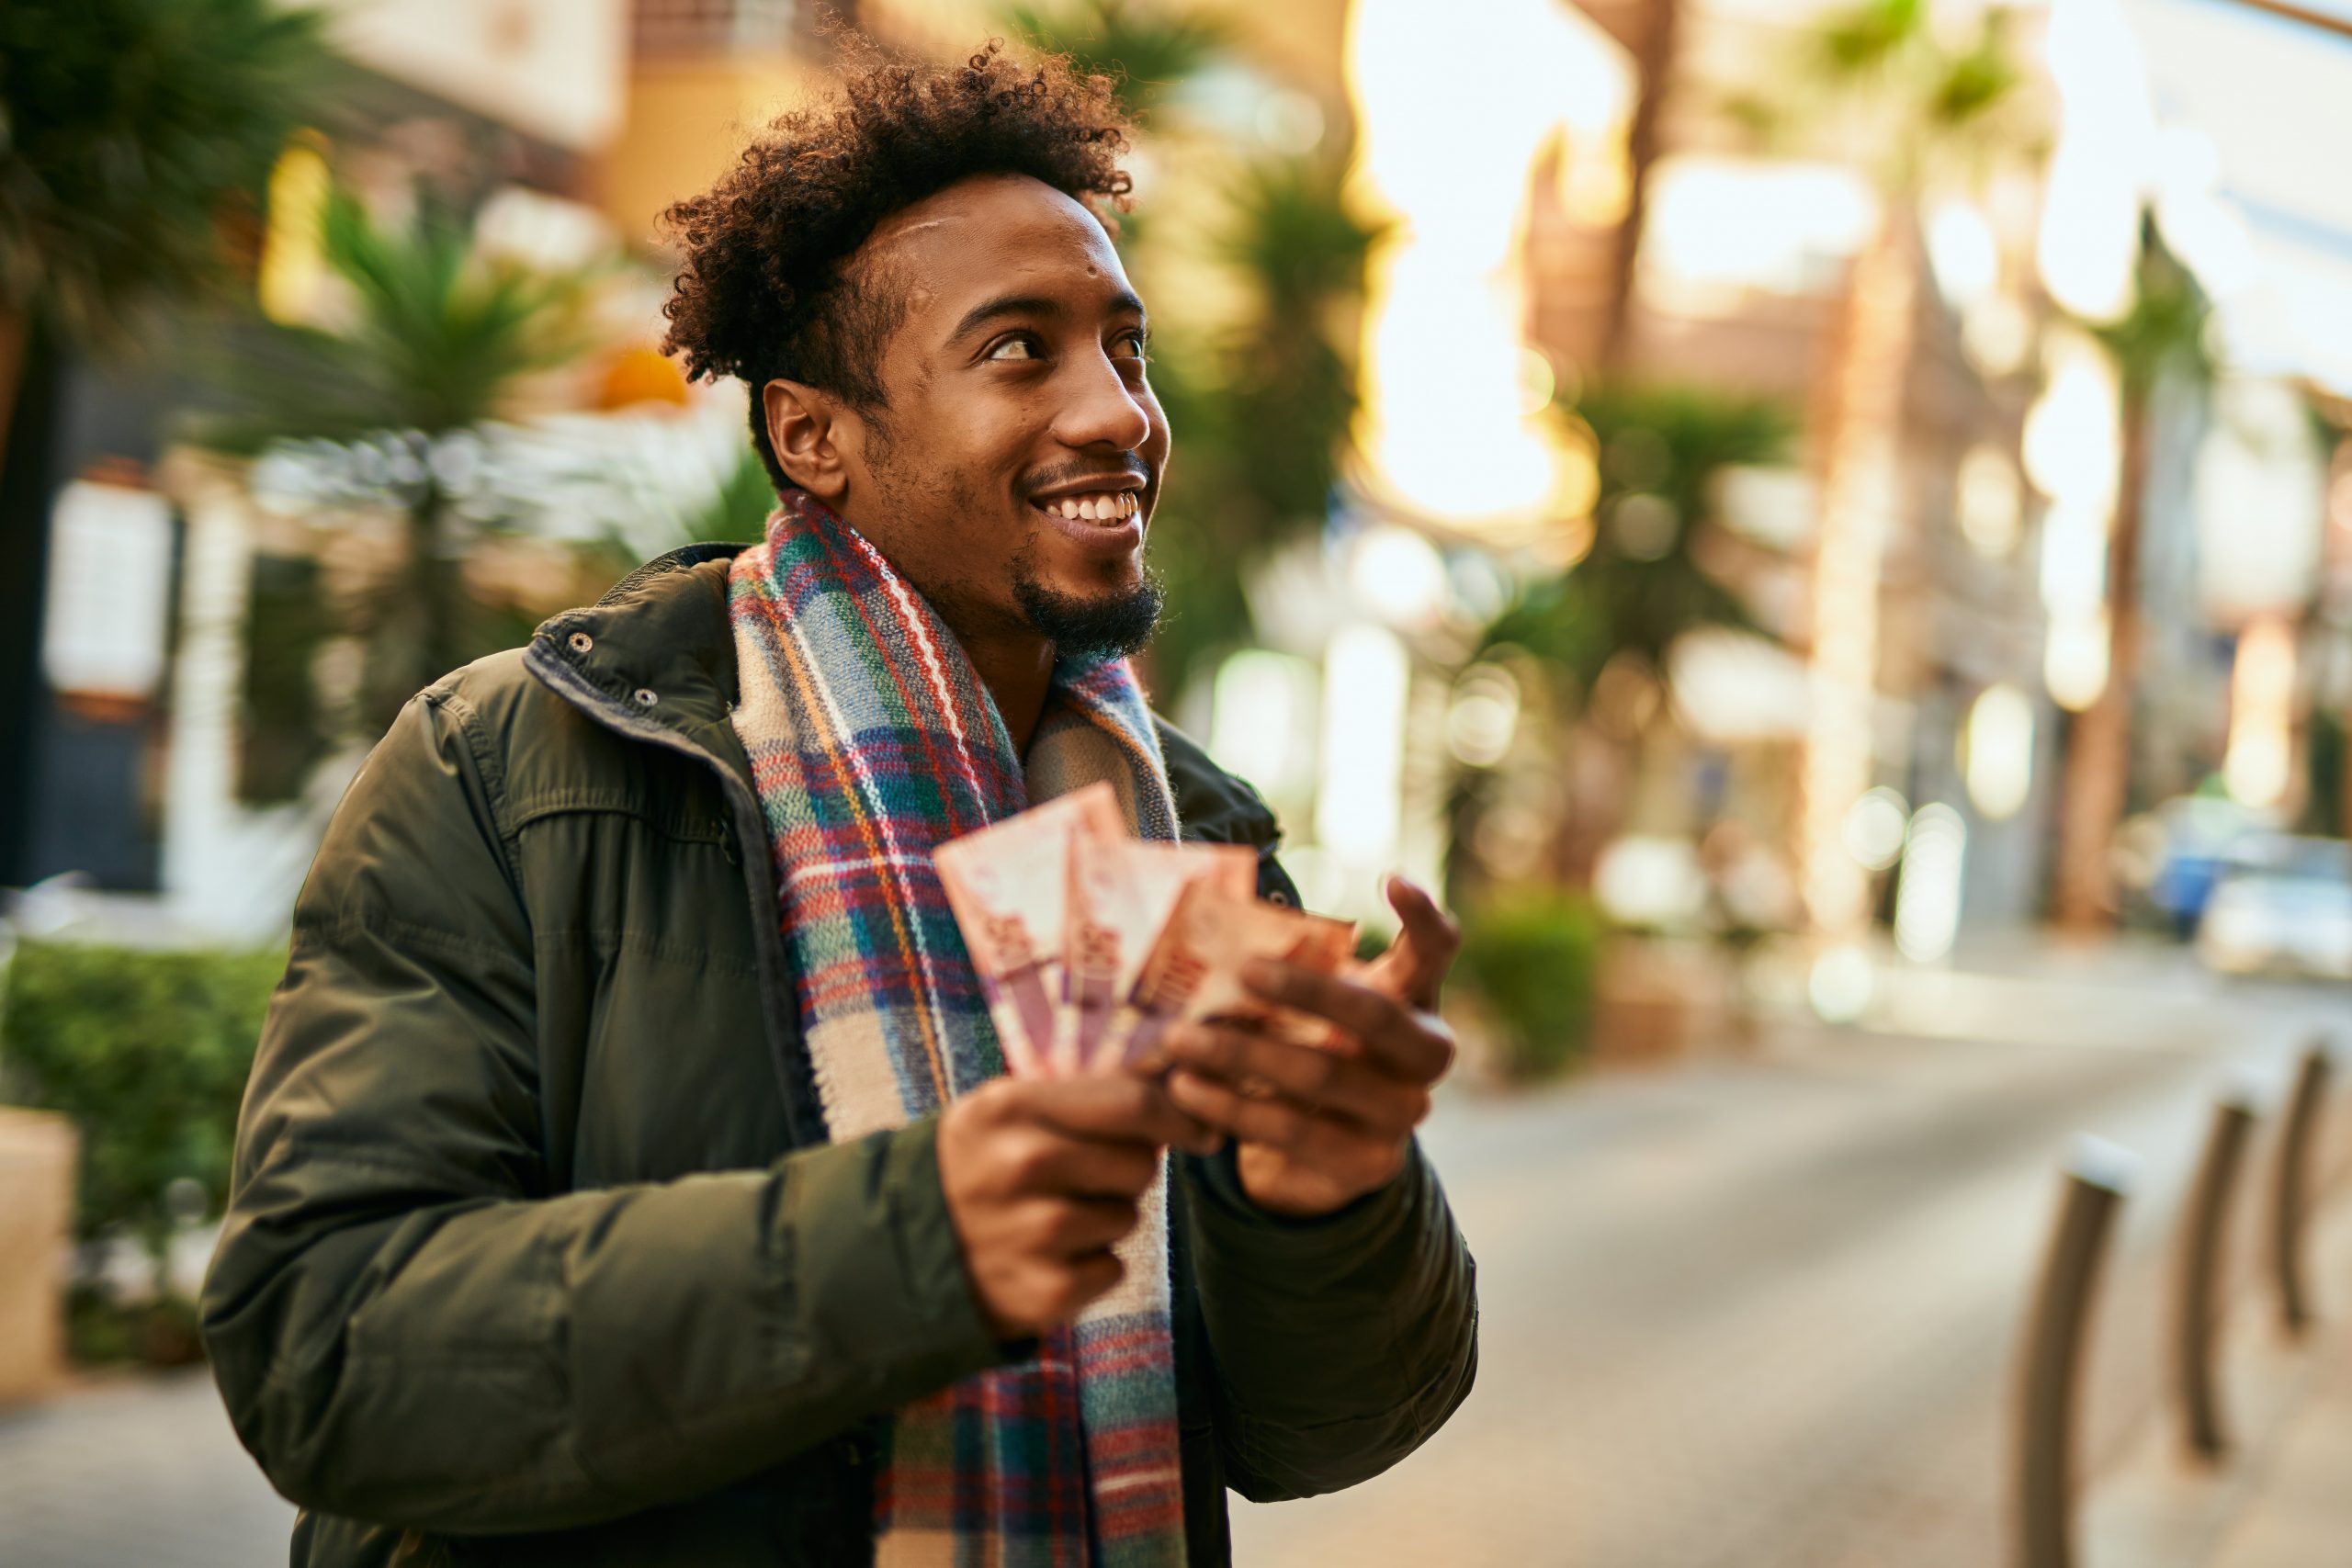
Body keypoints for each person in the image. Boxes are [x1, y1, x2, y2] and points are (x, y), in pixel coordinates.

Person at [200, 39, 1476, 1567]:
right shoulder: (511, 767)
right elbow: (322, 1352)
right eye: (1021, 349)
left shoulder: (1181, 837)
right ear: (815, 436)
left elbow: (1315, 1434)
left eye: (1125, 350)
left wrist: (1327, 1201)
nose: (1119, 415)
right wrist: (906, 1245)